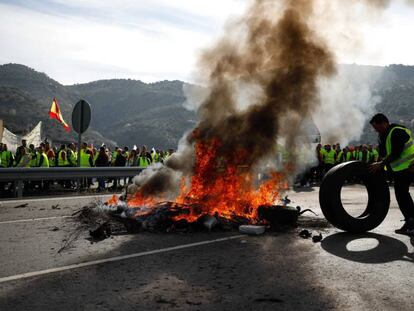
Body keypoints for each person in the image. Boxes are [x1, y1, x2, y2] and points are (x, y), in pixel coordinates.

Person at [369, 113, 414, 236]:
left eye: (377, 127)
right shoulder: (383, 136)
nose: (376, 130)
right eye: (374, 129)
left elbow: (396, 153)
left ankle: (412, 222)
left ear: (384, 123)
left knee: (403, 196)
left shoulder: (397, 132)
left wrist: (381, 164)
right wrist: (379, 166)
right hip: (399, 170)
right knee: (401, 196)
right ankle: (410, 221)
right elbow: (383, 154)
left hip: (410, 167)